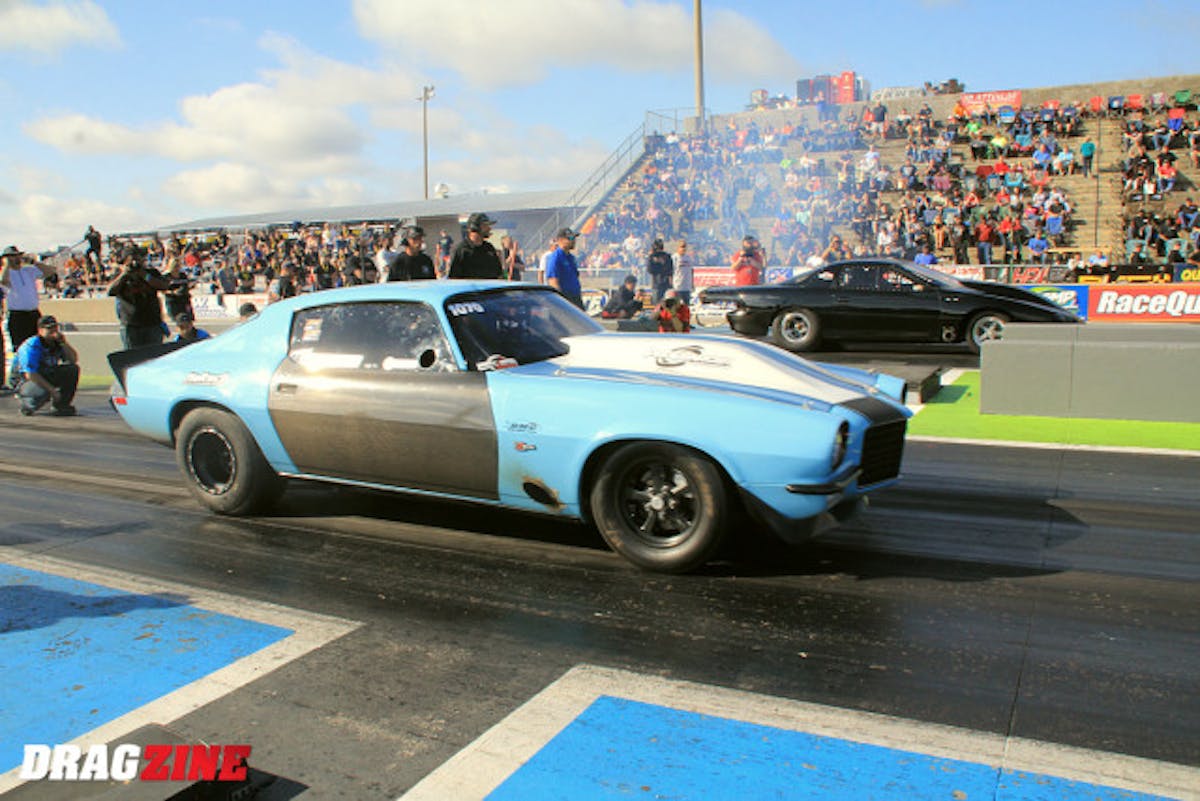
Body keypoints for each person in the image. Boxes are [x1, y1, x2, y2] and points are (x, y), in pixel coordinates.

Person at [14, 315, 79, 416]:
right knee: (40, 394)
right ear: (40, 330)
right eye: (49, 328)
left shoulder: (57, 342)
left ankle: (61, 406)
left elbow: (73, 360)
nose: (53, 331)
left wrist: (64, 343)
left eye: (55, 327)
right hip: (26, 380)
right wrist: (52, 390)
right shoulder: (31, 345)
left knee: (72, 369)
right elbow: (30, 374)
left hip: (46, 373)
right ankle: (27, 403)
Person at [107, 246, 170, 349]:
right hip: (131, 325)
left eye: (139, 257)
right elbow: (110, 291)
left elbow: (164, 286)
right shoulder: (119, 275)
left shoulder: (151, 273)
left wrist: (144, 275)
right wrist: (125, 274)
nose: (137, 260)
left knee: (154, 355)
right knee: (134, 358)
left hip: (152, 323)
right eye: (134, 258)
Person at [2, 245, 57, 362]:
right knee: (20, 348)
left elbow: (51, 270)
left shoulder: (29, 270)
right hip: (18, 316)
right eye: (12, 257)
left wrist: (32, 261)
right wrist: (7, 264)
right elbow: (3, 282)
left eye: (17, 256)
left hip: (33, 314)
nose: (15, 259)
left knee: (39, 345)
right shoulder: (7, 274)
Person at [448, 213, 503, 279]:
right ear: (474, 227)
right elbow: (454, 278)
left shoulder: (489, 248)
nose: (489, 228)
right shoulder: (461, 250)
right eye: (485, 225)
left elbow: (499, 274)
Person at [545, 227, 583, 308]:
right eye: (570, 238)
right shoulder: (555, 257)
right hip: (566, 298)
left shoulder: (571, 257)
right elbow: (553, 281)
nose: (573, 241)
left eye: (574, 238)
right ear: (561, 240)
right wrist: (560, 302)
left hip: (575, 297)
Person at [646, 238, 673, 303]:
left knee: (667, 303)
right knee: (657, 304)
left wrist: (662, 262)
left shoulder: (667, 256)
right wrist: (652, 258)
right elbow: (649, 270)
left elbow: (670, 269)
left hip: (666, 283)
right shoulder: (652, 257)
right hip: (656, 284)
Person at [671, 240, 694, 306]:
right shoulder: (674, 258)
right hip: (677, 286)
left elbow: (691, 271)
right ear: (678, 247)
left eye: (685, 247)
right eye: (682, 247)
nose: (683, 248)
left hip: (687, 286)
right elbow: (671, 271)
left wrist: (692, 284)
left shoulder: (688, 258)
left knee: (686, 306)